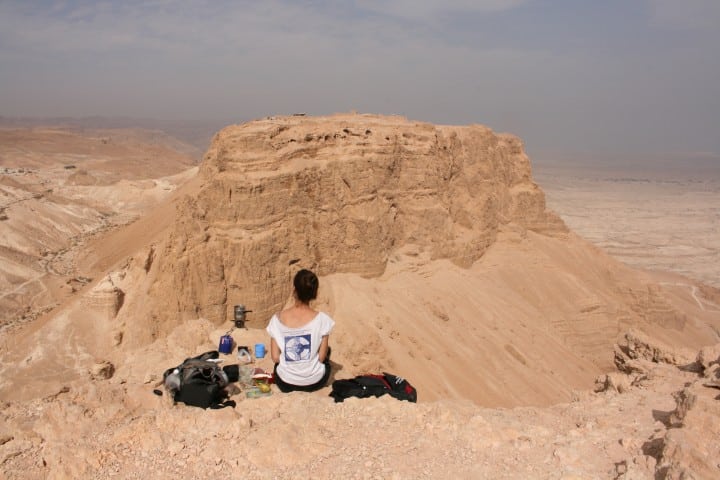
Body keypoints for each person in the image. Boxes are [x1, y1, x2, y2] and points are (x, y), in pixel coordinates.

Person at [266, 269, 335, 392]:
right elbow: (321, 358)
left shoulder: (276, 319)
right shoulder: (323, 320)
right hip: (314, 382)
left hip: (285, 383)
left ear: (294, 289)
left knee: (280, 364)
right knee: (327, 356)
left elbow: (275, 357)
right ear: (314, 292)